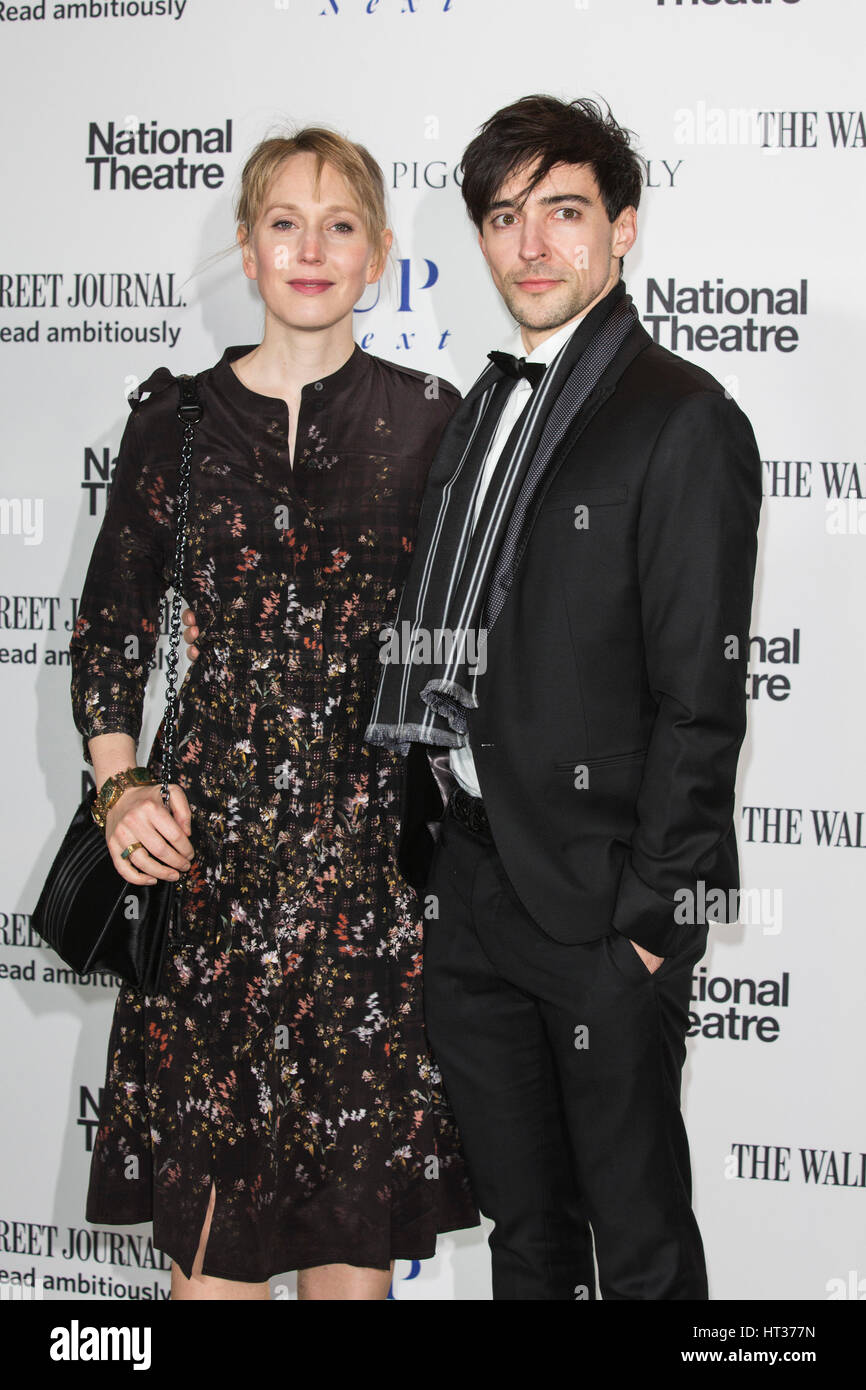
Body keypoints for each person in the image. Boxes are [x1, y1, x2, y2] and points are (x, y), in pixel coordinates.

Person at [69, 125, 478, 1302]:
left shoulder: (435, 422)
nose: (311, 248)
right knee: (214, 1260)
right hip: (206, 861)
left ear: (380, 253)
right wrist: (119, 783)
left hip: (369, 874)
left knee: (351, 1257)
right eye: (284, 224)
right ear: (246, 251)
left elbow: (476, 642)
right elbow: (113, 626)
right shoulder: (177, 421)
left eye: (339, 224)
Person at [364, 95, 763, 1300]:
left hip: (601, 910)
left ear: (622, 226)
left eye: (562, 211)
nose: (529, 244)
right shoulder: (481, 406)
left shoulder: (682, 417)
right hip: (474, 884)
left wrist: (649, 923)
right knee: (526, 1237)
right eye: (501, 217)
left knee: (637, 1250)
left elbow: (703, 695)